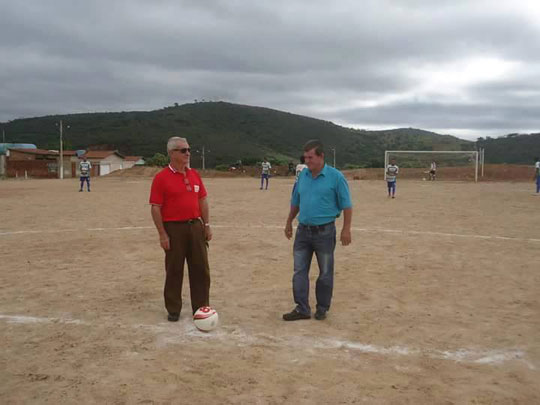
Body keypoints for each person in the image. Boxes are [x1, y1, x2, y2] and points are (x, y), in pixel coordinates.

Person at [283, 140, 353, 321]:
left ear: (321, 157)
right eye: (305, 157)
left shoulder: (336, 177)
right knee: (299, 270)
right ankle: (302, 308)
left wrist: (346, 229)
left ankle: (322, 307)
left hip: (325, 232)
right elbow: (295, 202)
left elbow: (347, 205)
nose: (307, 161)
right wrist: (289, 221)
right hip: (303, 232)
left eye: (310, 157)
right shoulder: (303, 177)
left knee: (325, 272)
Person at [149, 136, 212, 322]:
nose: (188, 153)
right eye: (183, 150)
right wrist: (162, 234)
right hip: (174, 228)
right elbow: (155, 207)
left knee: (201, 269)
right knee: (174, 269)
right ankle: (173, 309)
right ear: (172, 153)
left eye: (189, 150)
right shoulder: (161, 178)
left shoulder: (194, 175)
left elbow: (203, 200)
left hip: (195, 227)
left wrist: (206, 225)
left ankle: (201, 307)